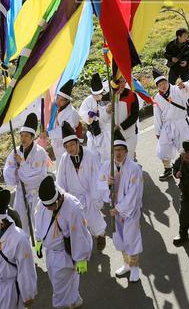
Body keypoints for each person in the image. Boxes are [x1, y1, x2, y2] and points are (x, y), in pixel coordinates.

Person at [34, 175, 94, 305]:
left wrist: (81, 258)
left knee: (59, 291)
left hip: (64, 255)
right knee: (61, 283)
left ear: (59, 199)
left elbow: (80, 234)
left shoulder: (73, 208)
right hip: (50, 252)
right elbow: (38, 218)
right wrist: (38, 240)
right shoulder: (44, 203)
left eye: (50, 206)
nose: (47, 209)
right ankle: (74, 301)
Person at [0, 189, 37, 309]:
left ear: (1, 223)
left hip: (7, 290)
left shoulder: (19, 238)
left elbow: (26, 268)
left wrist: (28, 295)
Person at [55, 122, 108, 250]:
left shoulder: (90, 156)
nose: (70, 149)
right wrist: (62, 198)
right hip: (73, 198)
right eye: (67, 146)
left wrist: (97, 198)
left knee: (94, 220)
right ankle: (82, 248)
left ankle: (100, 235)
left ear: (78, 143)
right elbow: (60, 181)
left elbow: (97, 178)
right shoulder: (64, 159)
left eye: (72, 144)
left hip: (89, 195)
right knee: (77, 225)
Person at [102, 128, 144, 283]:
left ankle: (135, 267)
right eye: (115, 150)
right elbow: (98, 185)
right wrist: (107, 185)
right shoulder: (107, 166)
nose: (118, 153)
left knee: (131, 238)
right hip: (115, 211)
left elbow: (134, 193)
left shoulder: (134, 168)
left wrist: (119, 208)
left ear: (126, 151)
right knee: (119, 238)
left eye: (120, 149)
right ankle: (127, 264)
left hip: (129, 211)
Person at [2, 113, 50, 233]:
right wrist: (14, 170)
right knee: (21, 222)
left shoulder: (40, 152)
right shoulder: (16, 152)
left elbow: (37, 176)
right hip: (21, 191)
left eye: (26, 136)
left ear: (32, 137)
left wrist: (22, 164)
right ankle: (24, 243)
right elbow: (8, 173)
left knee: (38, 221)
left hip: (36, 192)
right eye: (21, 135)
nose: (23, 139)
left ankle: (40, 242)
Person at [151, 69, 189, 181]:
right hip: (168, 125)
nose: (163, 86)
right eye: (159, 85)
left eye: (164, 83)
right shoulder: (157, 98)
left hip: (181, 123)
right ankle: (167, 169)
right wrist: (157, 131)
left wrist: (185, 85)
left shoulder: (177, 89)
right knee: (163, 148)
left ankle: (186, 169)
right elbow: (157, 115)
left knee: (184, 148)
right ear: (157, 87)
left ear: (167, 81)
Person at [78, 73, 110, 164]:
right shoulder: (88, 100)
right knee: (93, 155)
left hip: (105, 131)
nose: (97, 97)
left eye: (99, 95)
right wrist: (89, 115)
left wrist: (105, 111)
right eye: (94, 95)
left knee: (106, 154)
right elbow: (82, 112)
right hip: (93, 132)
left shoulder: (106, 97)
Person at [48, 80, 82, 163]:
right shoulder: (58, 108)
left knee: (69, 165)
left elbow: (63, 131)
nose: (58, 101)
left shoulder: (71, 113)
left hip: (67, 146)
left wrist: (49, 134)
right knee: (60, 165)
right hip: (57, 145)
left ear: (67, 101)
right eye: (57, 98)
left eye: (61, 100)